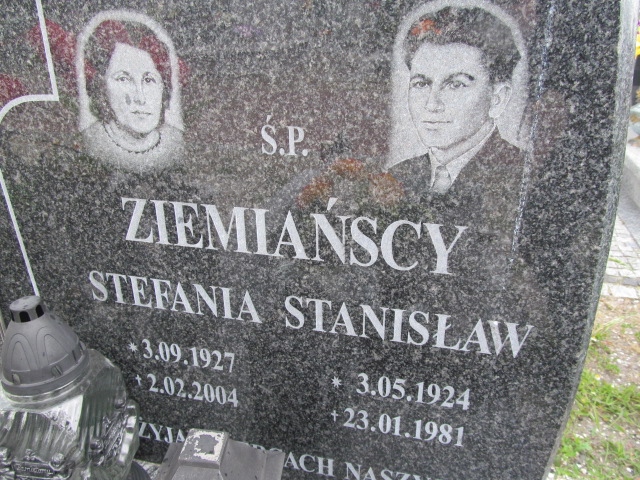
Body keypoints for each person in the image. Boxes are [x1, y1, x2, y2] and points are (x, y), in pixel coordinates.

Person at [388, 6, 525, 234]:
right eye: (422, 84)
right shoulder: (399, 176)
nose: (432, 104)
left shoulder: (522, 176)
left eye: (456, 85)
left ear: (497, 98)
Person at [77, 12, 184, 171]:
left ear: (164, 89)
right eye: (123, 79)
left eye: (149, 80)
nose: (140, 98)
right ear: (102, 89)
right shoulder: (85, 152)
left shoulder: (178, 150)